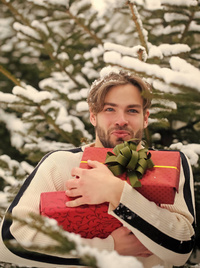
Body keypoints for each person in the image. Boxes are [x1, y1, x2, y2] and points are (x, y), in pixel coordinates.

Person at [0, 67, 196, 268]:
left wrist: (117, 192)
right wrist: (107, 247)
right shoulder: (59, 163)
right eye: (109, 109)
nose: (121, 120)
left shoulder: (168, 166)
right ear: (93, 116)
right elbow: (9, 240)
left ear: (145, 118)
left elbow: (182, 249)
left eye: (132, 110)